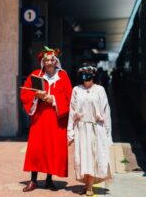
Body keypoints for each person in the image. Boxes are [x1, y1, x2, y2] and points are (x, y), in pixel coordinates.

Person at [20, 46, 72, 192]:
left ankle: (49, 180)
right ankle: (33, 180)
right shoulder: (35, 75)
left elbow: (70, 98)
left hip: (56, 118)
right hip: (40, 118)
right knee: (37, 148)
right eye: (46, 60)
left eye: (51, 60)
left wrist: (53, 99)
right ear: (43, 62)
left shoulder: (63, 76)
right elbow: (25, 93)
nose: (49, 62)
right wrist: (36, 96)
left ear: (56, 61)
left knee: (52, 148)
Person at [67, 66, 112, 196]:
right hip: (81, 128)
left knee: (92, 157)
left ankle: (89, 186)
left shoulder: (100, 90)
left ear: (94, 75)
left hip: (95, 128)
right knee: (82, 157)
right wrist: (70, 132)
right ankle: (87, 184)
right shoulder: (76, 90)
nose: (86, 76)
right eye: (84, 74)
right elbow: (72, 111)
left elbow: (106, 112)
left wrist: (108, 133)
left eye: (89, 74)